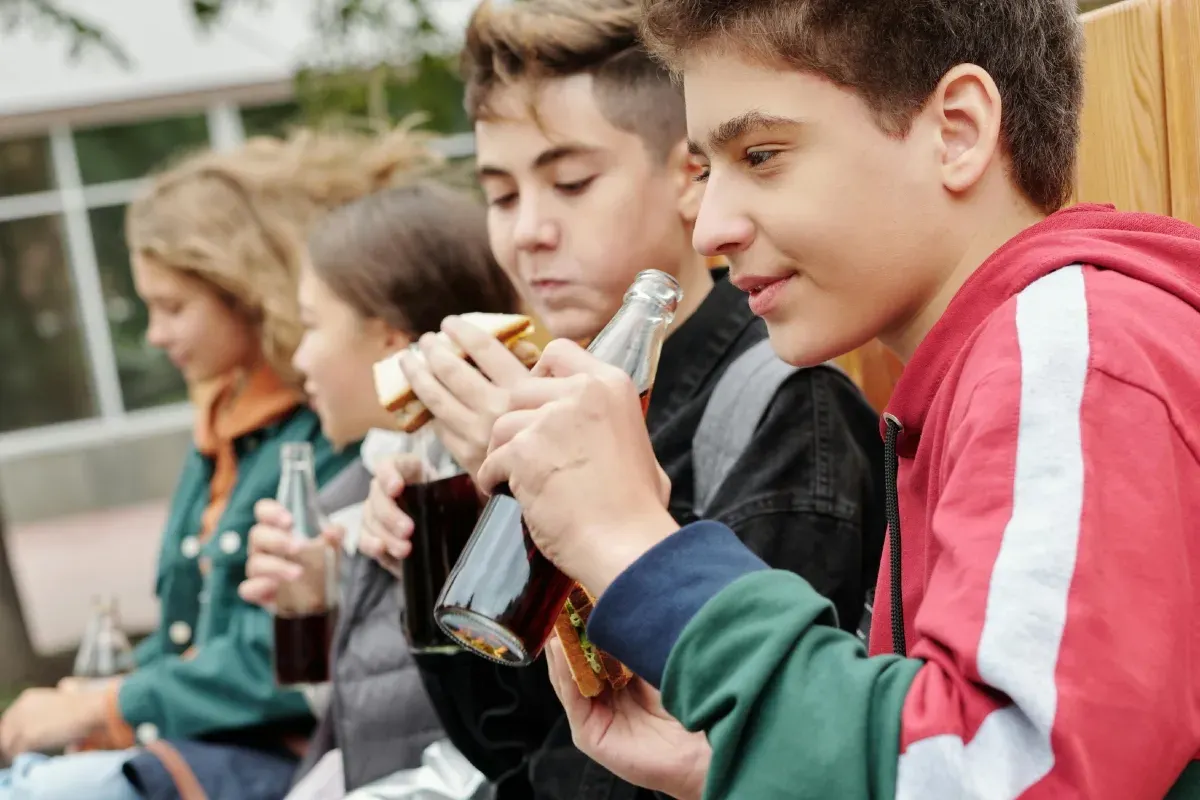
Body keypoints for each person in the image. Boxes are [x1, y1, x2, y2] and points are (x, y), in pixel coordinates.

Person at [468, 0, 1200, 797]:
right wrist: (743, 754)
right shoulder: (996, 370)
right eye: (710, 170)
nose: (711, 227)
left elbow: (1005, 774)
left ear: (956, 131)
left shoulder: (1077, 354)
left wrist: (640, 550)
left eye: (763, 153)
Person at [357, 0, 886, 797]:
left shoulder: (783, 410)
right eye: (500, 195)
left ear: (690, 177)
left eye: (570, 182)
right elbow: (499, 742)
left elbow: (712, 757)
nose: (529, 230)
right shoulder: (533, 396)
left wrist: (564, 510)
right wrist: (444, 529)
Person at [0, 126, 429, 800]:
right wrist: (104, 694)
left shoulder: (330, 430)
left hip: (284, 763)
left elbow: (284, 662)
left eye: (172, 307)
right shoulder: (223, 431)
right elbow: (195, 640)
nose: (154, 334)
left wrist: (108, 704)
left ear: (246, 291)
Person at [237, 179, 524, 800]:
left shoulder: (471, 482)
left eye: (312, 326)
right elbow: (360, 712)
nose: (300, 359)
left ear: (391, 341)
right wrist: (317, 603)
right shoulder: (368, 480)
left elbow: (493, 732)